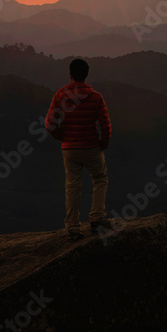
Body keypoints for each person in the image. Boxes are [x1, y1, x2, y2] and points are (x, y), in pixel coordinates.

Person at [45, 58, 111, 238]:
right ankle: (97, 219)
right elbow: (105, 125)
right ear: (86, 75)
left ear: (70, 75)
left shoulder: (60, 95)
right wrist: (103, 144)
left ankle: (73, 227)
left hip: (69, 149)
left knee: (72, 185)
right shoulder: (96, 97)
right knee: (100, 179)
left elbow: (50, 123)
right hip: (91, 146)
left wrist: (62, 137)